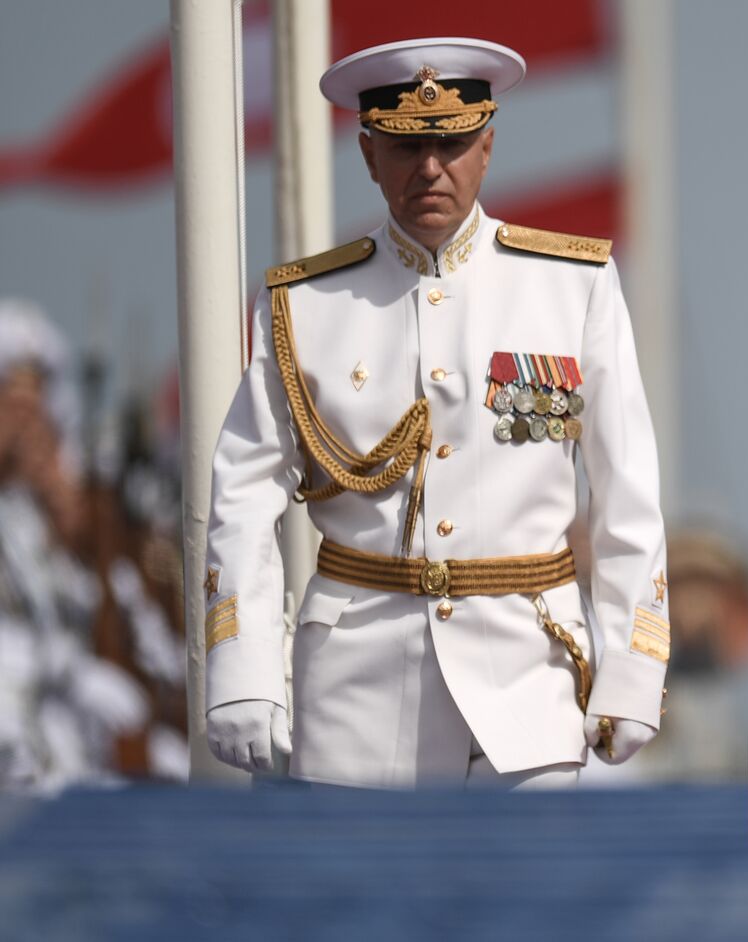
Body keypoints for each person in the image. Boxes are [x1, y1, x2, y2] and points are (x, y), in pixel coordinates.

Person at [204, 38, 669, 788]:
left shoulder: (571, 283)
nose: (430, 167)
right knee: (355, 904)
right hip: (356, 688)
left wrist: (635, 665)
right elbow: (242, 497)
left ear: (487, 147)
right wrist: (243, 664)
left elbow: (627, 496)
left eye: (451, 143)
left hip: (531, 673)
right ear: (366, 153)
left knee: (527, 903)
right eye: (404, 146)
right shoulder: (304, 305)